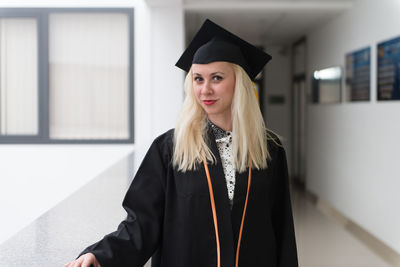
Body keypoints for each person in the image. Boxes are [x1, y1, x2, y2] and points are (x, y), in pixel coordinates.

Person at [64, 19, 298, 267]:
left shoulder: (269, 149)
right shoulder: (170, 148)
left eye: (216, 78)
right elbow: (143, 222)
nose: (205, 89)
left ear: (238, 83)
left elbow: (282, 230)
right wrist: (101, 255)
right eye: (198, 79)